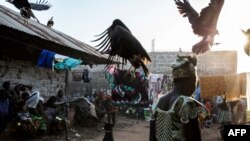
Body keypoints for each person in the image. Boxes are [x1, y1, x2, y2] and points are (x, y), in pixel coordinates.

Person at [150, 55, 209, 141]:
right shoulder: (186, 104)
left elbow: (152, 138)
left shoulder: (159, 102)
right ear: (191, 80)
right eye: (196, 80)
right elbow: (194, 138)